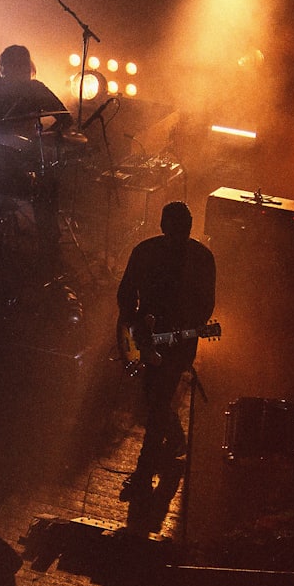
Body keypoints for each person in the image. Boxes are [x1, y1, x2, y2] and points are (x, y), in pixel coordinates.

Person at [115, 201, 216, 497]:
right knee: (153, 398)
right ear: (163, 228)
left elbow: (205, 308)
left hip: (177, 345)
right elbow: (126, 293)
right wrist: (134, 325)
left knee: (157, 402)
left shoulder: (199, 259)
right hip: (149, 340)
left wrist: (182, 330)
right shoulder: (146, 252)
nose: (177, 239)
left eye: (181, 232)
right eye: (173, 232)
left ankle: (144, 473)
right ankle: (175, 439)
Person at [0, 45, 74, 256]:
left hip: (23, 155)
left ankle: (48, 244)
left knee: (46, 186)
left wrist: (42, 138)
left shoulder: (35, 89)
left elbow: (65, 118)